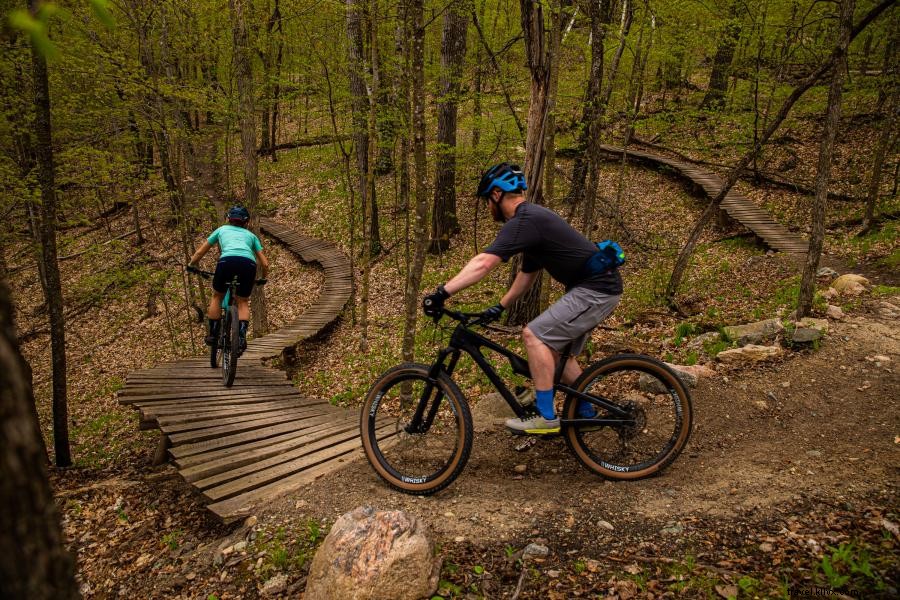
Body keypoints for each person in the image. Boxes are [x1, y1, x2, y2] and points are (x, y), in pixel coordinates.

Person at [423, 163, 623, 435]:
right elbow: (527, 274)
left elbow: (484, 263)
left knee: (534, 336)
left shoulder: (523, 221)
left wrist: (442, 292)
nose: (487, 208)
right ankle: (587, 413)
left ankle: (545, 417)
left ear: (496, 195)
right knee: (555, 354)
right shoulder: (533, 221)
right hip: (595, 288)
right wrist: (500, 306)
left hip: (595, 289)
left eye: (487, 201)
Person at [188, 206, 269, 353]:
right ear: (247, 222)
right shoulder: (251, 236)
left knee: (217, 296)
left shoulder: (221, 230)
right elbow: (265, 263)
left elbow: (200, 251)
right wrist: (263, 278)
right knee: (243, 301)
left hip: (226, 262)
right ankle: (241, 338)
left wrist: (191, 265)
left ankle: (213, 335)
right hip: (248, 264)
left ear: (228, 219)